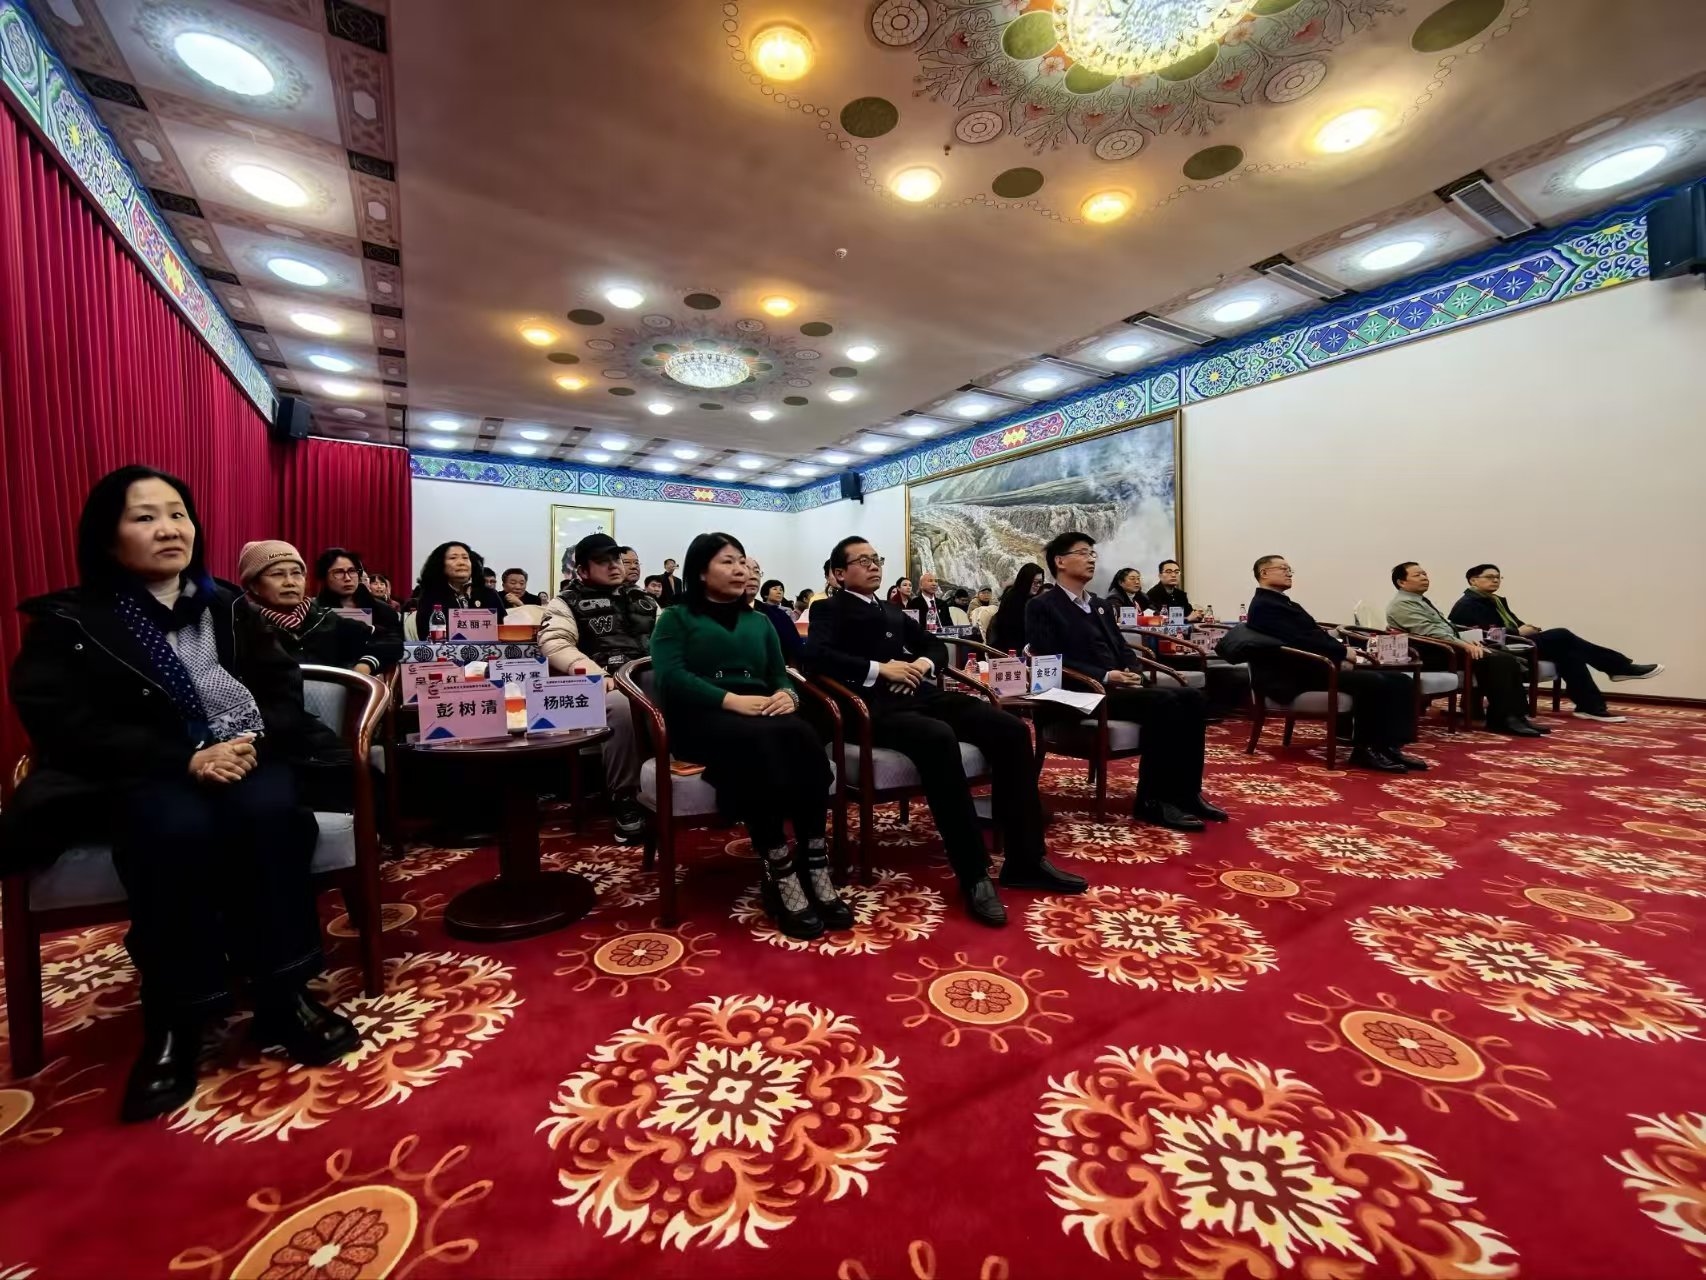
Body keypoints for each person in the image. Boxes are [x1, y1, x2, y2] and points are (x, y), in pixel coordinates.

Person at [1, 467, 359, 1122]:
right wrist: (184, 757)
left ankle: (284, 995)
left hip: (247, 752)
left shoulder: (230, 608)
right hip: (142, 772)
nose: (168, 529)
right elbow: (64, 723)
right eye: (145, 517)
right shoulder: (72, 620)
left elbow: (281, 691)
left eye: (177, 514)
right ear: (107, 536)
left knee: (271, 815)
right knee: (172, 830)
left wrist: (245, 741)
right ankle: (176, 1018)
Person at [806, 537, 1086, 928]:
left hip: (919, 694)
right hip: (872, 707)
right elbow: (816, 657)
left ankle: (1026, 859)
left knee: (1010, 729)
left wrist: (921, 664)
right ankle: (973, 874)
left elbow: (934, 646)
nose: (873, 565)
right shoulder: (826, 609)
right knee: (938, 737)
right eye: (862, 560)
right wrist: (880, 669)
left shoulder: (892, 611)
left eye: (876, 558)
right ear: (839, 573)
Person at [651, 533, 843, 940]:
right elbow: (671, 677)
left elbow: (778, 674)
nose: (740, 569)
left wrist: (787, 696)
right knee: (758, 745)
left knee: (805, 736)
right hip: (701, 718)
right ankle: (780, 867)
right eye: (727, 562)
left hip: (760, 711)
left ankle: (814, 859)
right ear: (701, 572)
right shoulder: (675, 617)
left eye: (742, 561)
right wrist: (731, 700)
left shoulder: (760, 621)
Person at [1028, 533, 1223, 831]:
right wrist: (1106, 676)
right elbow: (1047, 656)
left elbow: (1122, 648)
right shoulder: (1042, 605)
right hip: (1079, 692)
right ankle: (1152, 801)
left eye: (1093, 553)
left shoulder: (1100, 605)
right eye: (1083, 553)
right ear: (1060, 561)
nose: (1091, 559)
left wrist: (1134, 672)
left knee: (1193, 697)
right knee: (1164, 702)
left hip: (1116, 689)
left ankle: (1187, 793)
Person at [1246, 556, 1424, 773]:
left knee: (1401, 680)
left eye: (1290, 569)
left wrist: (1342, 649)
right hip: (1294, 675)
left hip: (1310, 668)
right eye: (1283, 569)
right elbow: (1300, 640)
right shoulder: (1264, 605)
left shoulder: (1283, 602)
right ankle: (1365, 750)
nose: (1289, 573)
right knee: (1375, 682)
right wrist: (1342, 652)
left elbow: (1314, 635)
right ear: (1264, 573)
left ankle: (1390, 747)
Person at [538, 533, 659, 843]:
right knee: (622, 706)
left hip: (653, 677)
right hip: (606, 682)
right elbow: (555, 643)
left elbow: (670, 638)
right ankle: (625, 796)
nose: (614, 566)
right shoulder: (566, 601)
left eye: (616, 559)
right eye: (603, 562)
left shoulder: (644, 600)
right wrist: (597, 675)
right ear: (582, 570)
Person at [1449, 564, 1661, 723]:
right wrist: (1519, 632)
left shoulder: (1495, 600)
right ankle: (1618, 667)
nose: (1496, 580)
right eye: (1490, 577)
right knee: (1562, 635)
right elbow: (1483, 635)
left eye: (1498, 577)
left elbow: (1512, 623)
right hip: (1501, 649)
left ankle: (1590, 707)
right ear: (1473, 581)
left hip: (1518, 642)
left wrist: (1526, 627)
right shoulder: (1468, 604)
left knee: (1568, 653)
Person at [1387, 562, 1545, 737]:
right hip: (1431, 653)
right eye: (1417, 575)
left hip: (1446, 648)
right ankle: (1503, 719)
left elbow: (1447, 628)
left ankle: (1517, 716)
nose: (1424, 577)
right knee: (1498, 660)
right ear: (1401, 582)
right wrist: (1465, 645)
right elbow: (1431, 633)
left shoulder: (1419, 601)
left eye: (1424, 573)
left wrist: (1469, 640)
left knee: (1504, 656)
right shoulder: (1402, 604)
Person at [246, 542, 398, 679]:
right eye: (277, 574)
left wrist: (366, 664)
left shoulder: (326, 619)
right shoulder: (242, 628)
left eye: (297, 573)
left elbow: (390, 640)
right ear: (254, 586)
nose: (290, 582)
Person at [315, 547, 404, 669]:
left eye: (352, 571)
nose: (347, 578)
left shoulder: (383, 610)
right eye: (338, 572)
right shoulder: (314, 611)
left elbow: (395, 644)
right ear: (324, 577)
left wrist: (368, 662)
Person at [413, 541, 507, 638]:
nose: (461, 563)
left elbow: (503, 629)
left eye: (465, 558)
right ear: (440, 564)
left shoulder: (488, 593)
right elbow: (425, 634)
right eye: (453, 558)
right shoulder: (431, 595)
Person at [987, 562, 1045, 653]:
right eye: (1035, 582)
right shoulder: (1012, 599)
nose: (1038, 585)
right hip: (1011, 650)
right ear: (1026, 581)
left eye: (1040, 582)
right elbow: (1012, 630)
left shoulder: (1033, 598)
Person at [758, 577, 804, 662]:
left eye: (781, 589)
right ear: (765, 594)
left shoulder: (784, 613)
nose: (779, 592)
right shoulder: (761, 611)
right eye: (774, 589)